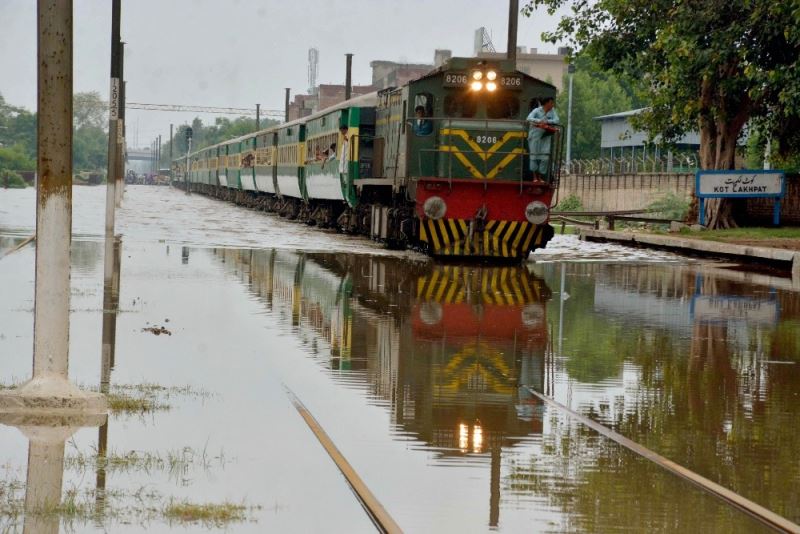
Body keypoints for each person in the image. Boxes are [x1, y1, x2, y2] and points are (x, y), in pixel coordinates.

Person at [527, 97, 559, 180]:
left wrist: (547, 122)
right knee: (534, 157)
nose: (552, 105)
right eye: (551, 103)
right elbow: (529, 119)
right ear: (547, 103)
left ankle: (540, 176)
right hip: (534, 137)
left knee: (545, 158)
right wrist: (539, 121)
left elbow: (556, 120)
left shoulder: (552, 111)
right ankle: (534, 177)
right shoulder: (536, 111)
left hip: (545, 138)